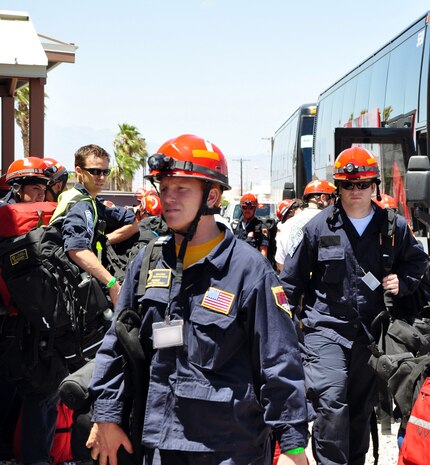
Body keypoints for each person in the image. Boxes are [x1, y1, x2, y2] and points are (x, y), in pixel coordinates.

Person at [87, 134, 309, 465]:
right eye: (164, 189)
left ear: (212, 195)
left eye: (182, 189)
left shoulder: (248, 270)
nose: (168, 199)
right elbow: (116, 344)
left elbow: (278, 359)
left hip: (230, 447)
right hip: (160, 444)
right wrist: (105, 414)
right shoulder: (147, 262)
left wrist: (292, 447)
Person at [280, 146, 429, 465]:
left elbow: (418, 262)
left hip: (370, 337)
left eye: (363, 184)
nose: (356, 191)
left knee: (360, 411)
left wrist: (403, 282)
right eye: (348, 184)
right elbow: (289, 284)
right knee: (332, 402)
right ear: (338, 187)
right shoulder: (317, 228)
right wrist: (283, 335)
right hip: (324, 333)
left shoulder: (393, 227)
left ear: (375, 185)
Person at [0, 157, 57, 465]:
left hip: (19, 319)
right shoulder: (13, 216)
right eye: (35, 189)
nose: (40, 197)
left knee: (12, 388)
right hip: (19, 322)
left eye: (43, 191)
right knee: (37, 392)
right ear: (18, 189)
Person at [49, 144, 136, 309]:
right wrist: (111, 283)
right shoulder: (81, 205)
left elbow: (131, 219)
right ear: (79, 172)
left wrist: (107, 239)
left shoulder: (88, 201)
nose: (101, 177)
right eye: (95, 171)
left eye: (105, 172)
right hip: (72, 290)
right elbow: (76, 249)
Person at [275, 179, 335, 272]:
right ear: (323, 198)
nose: (334, 203)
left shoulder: (286, 225)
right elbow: (334, 261)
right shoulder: (330, 223)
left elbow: (280, 264)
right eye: (333, 199)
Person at [233, 192, 270, 257]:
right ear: (241, 208)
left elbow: (263, 253)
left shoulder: (261, 227)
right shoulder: (235, 226)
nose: (247, 210)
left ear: (255, 208)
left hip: (253, 264)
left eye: (251, 207)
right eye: (244, 207)